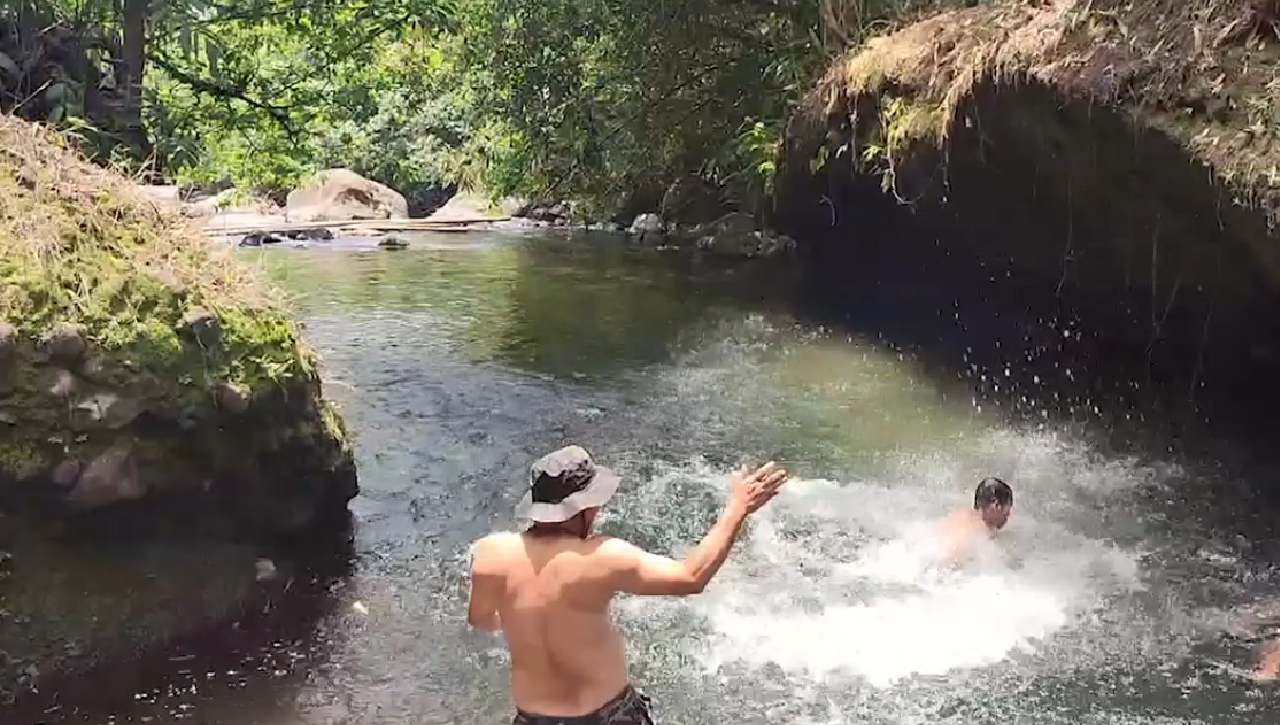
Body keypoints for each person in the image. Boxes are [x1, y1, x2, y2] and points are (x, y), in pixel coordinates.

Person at [467, 445, 789, 725]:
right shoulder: (602, 556)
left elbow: (482, 619)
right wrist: (739, 508)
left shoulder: (491, 554)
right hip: (608, 717)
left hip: (533, 719)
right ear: (582, 508)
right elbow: (691, 577)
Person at [937, 476, 1014, 566]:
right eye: (1007, 508)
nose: (1008, 514)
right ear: (995, 505)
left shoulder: (972, 520)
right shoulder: (966, 530)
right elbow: (950, 563)